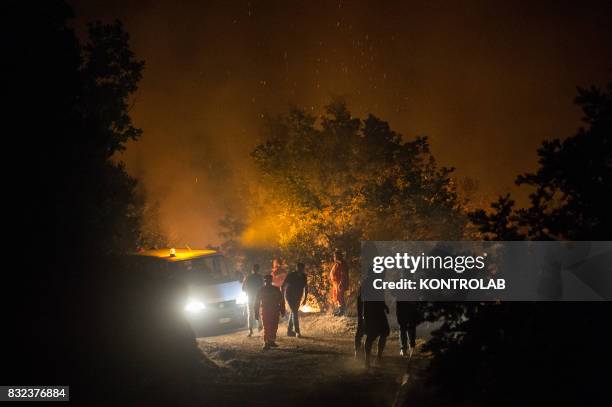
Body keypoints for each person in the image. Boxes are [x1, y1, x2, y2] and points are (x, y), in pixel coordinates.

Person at [255, 274, 286, 350]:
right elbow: (257, 302)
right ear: (265, 281)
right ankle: (266, 342)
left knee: (274, 326)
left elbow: (281, 300)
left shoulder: (275, 289)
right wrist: (256, 312)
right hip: (267, 310)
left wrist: (282, 310)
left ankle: (271, 341)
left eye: (269, 280)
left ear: (270, 281)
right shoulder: (262, 290)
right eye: (266, 281)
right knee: (267, 327)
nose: (268, 282)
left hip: (273, 310)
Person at [282, 262, 308, 337]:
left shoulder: (304, 276)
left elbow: (306, 288)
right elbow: (283, 286)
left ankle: (289, 331)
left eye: (302, 269)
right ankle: (297, 331)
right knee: (294, 312)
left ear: (303, 269)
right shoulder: (291, 275)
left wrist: (305, 298)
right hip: (289, 296)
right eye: (299, 268)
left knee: (293, 312)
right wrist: (282, 297)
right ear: (296, 268)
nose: (300, 270)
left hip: (298, 297)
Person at [242, 264, 264, 337]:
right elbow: (263, 287)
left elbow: (243, 288)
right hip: (257, 297)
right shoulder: (260, 277)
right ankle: (259, 327)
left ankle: (251, 330)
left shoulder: (248, 277)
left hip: (250, 297)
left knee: (251, 313)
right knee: (258, 312)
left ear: (253, 269)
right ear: (258, 269)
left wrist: (248, 291)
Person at [329, 250, 349, 316]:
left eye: (335, 256)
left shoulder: (342, 263)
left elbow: (343, 274)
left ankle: (342, 312)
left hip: (340, 283)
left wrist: (341, 282)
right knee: (337, 296)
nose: (334, 257)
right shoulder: (337, 263)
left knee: (340, 296)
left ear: (339, 256)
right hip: (336, 283)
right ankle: (340, 310)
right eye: (334, 256)